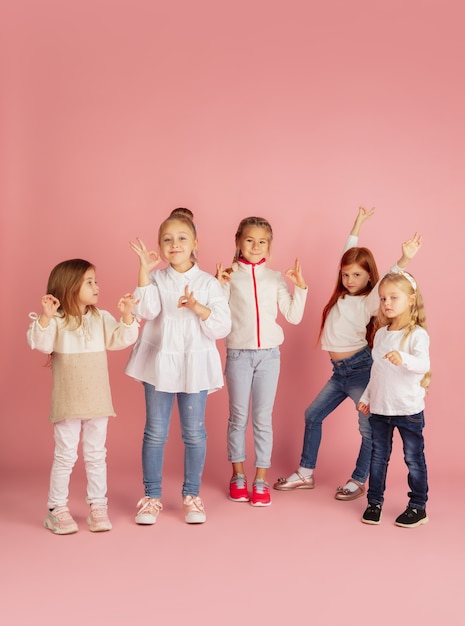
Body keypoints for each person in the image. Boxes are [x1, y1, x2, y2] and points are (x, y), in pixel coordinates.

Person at [274, 207, 422, 500]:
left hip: (359, 370)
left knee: (367, 428)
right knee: (312, 415)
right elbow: (348, 252)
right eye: (345, 275)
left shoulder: (369, 301)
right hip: (339, 374)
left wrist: (405, 258)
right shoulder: (341, 297)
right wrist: (357, 224)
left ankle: (358, 479)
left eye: (357, 275)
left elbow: (389, 278)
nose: (350, 279)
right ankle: (305, 473)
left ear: (369, 279)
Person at [126, 208, 231, 525]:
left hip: (194, 365)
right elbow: (147, 309)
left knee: (194, 433)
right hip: (159, 365)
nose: (175, 244)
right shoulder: (156, 278)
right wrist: (143, 271)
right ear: (159, 245)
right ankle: (152, 497)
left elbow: (221, 327)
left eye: (182, 238)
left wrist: (198, 307)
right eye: (167, 239)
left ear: (195, 242)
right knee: (155, 433)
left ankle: (191, 495)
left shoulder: (209, 283)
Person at [27, 259, 139, 535]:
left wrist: (126, 316)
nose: (96, 286)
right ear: (69, 286)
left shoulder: (100, 318)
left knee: (96, 455)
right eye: (89, 282)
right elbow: (39, 343)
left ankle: (98, 506)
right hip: (68, 401)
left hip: (97, 401)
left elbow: (121, 339)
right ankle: (56, 509)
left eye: (95, 280)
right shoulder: (57, 321)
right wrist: (45, 317)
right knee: (65, 455)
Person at [216, 216, 308, 506]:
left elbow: (293, 316)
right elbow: (217, 317)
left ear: (270, 245)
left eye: (262, 241)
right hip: (238, 354)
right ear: (238, 242)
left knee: (262, 419)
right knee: (238, 417)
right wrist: (218, 286)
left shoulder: (275, 277)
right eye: (250, 240)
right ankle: (238, 476)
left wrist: (301, 288)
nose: (256, 246)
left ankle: (260, 479)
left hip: (269, 356)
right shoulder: (229, 275)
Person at [359, 271, 430, 527]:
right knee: (378, 456)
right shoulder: (380, 334)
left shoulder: (416, 335)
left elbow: (423, 364)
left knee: (413, 458)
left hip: (407, 409)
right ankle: (374, 502)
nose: (386, 303)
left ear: (411, 299)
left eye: (393, 297)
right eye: (382, 298)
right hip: (380, 409)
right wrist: (367, 396)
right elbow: (376, 372)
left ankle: (418, 506)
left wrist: (404, 359)